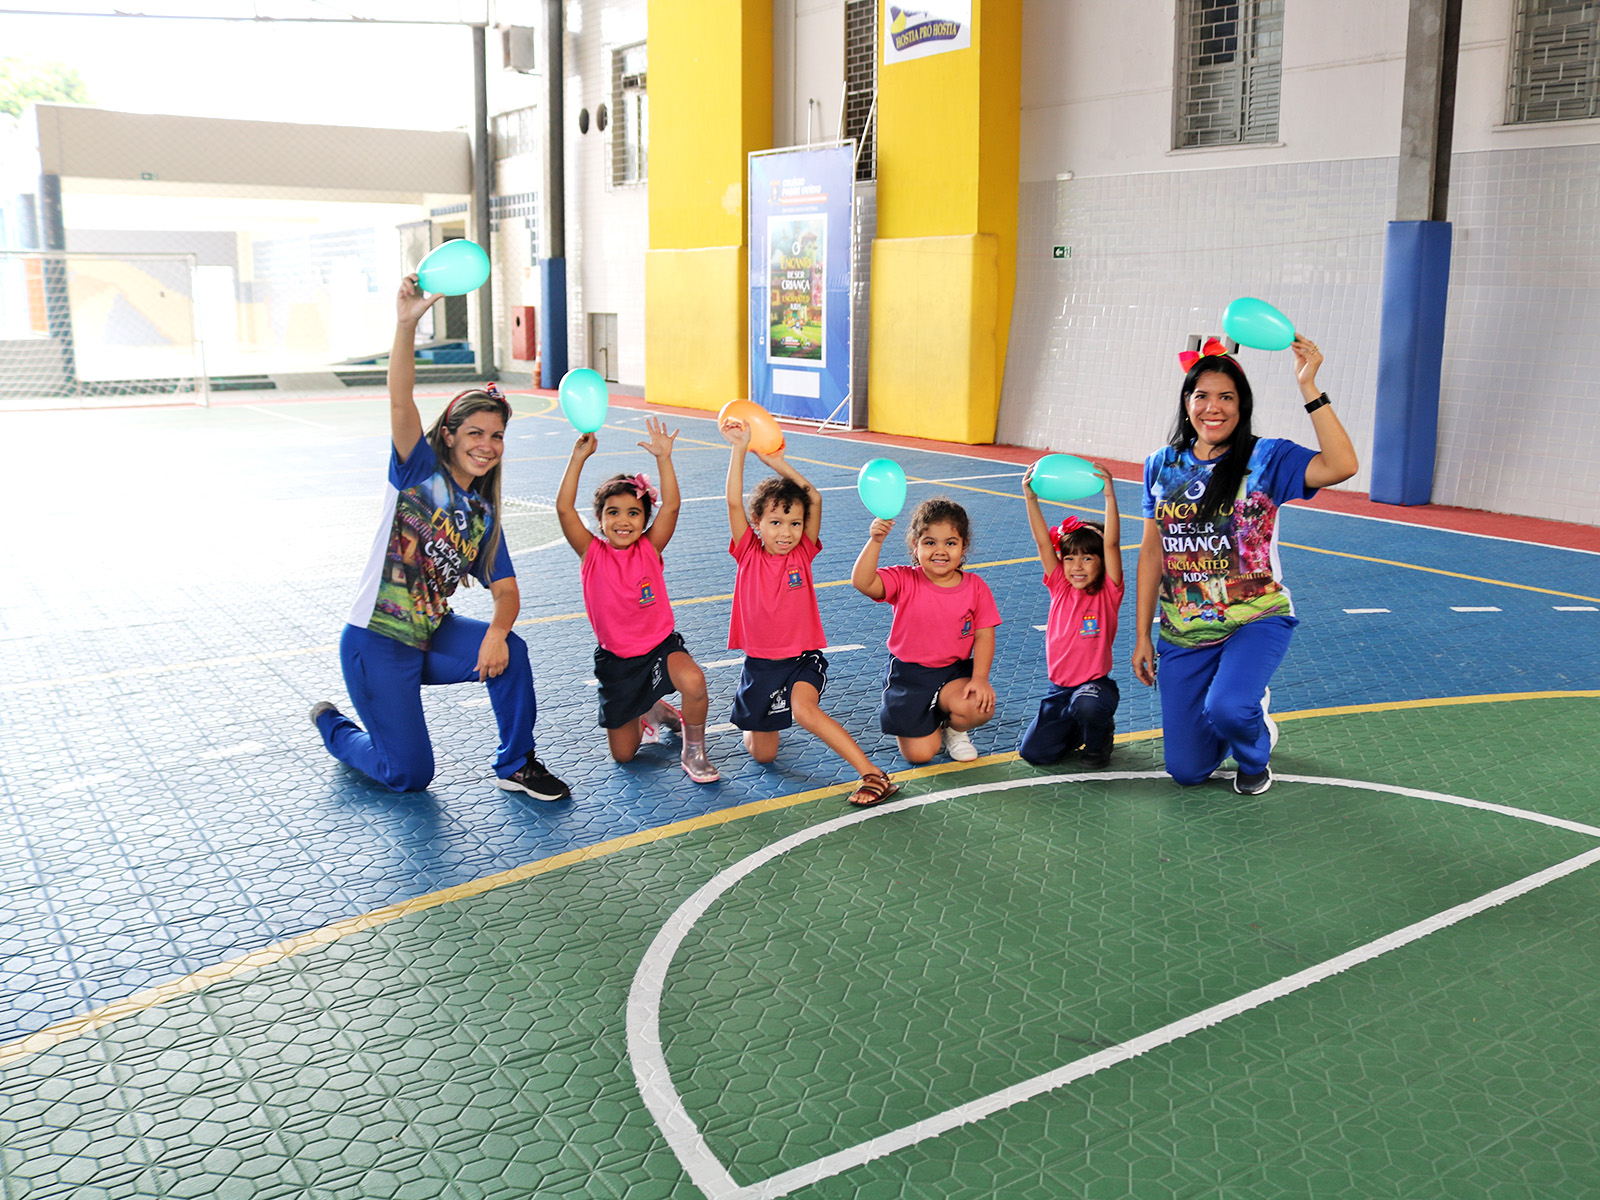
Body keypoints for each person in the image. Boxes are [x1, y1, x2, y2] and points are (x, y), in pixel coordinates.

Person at [310, 276, 570, 800]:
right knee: (408, 775)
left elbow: (506, 591)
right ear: (449, 435)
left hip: (431, 636)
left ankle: (517, 764)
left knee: (511, 650)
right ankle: (333, 727)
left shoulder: (483, 515)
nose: (487, 445)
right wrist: (406, 324)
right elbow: (400, 400)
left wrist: (496, 632)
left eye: (497, 436)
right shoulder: (418, 473)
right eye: (475, 433)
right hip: (377, 642)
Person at [1130, 335, 1358, 795]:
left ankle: (1254, 746)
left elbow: (1342, 465)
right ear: (1187, 403)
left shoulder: (1267, 458)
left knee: (1229, 707)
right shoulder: (1160, 465)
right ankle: (1234, 709)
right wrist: (1141, 635)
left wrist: (1309, 386)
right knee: (1186, 771)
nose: (1213, 408)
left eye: (1227, 397)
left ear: (1242, 406)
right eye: (1202, 396)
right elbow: (1152, 552)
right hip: (1183, 629)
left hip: (1254, 617)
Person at [720, 419, 899, 807]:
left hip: (801, 660)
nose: (786, 532)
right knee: (763, 754)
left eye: (795, 523)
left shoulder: (803, 552)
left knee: (804, 710)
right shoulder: (747, 552)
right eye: (776, 523)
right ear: (757, 524)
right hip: (760, 666)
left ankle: (873, 774)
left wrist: (777, 462)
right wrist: (739, 448)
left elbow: (813, 497)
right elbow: (734, 502)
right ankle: (756, 719)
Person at [555, 417, 719, 783]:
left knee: (694, 681)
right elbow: (564, 509)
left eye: (633, 513)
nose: (623, 520)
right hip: (618, 663)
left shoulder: (650, 548)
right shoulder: (591, 553)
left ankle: (694, 752)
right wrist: (578, 457)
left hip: (660, 647)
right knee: (624, 755)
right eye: (613, 512)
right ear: (600, 519)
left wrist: (664, 458)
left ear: (645, 519)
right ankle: (654, 709)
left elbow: (672, 506)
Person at [852, 497, 1001, 765]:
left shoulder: (976, 587)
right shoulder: (903, 579)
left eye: (950, 543)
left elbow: (984, 635)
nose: (940, 551)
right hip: (910, 677)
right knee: (920, 755)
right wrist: (875, 540)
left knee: (978, 706)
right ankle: (930, 723)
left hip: (953, 673)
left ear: (964, 546)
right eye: (930, 542)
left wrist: (980, 679)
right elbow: (862, 582)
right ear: (915, 544)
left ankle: (954, 730)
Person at [1018, 460, 1124, 768]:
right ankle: (1078, 728)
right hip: (1059, 691)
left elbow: (1112, 545)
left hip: (1093, 688)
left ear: (1101, 562)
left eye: (1087, 558)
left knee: (1088, 705)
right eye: (1069, 558)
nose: (1077, 566)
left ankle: (1099, 738)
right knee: (1034, 753)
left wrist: (1109, 496)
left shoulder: (1108, 592)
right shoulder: (1060, 586)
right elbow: (1042, 542)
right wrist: (1030, 498)